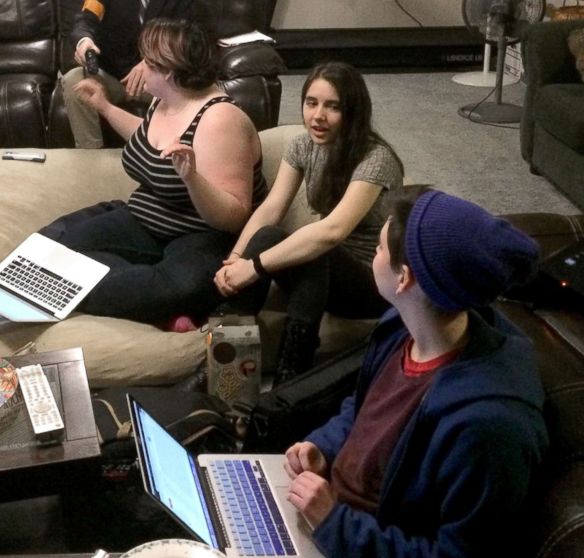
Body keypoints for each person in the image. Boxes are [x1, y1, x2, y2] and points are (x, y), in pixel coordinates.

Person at [282, 188, 548, 557]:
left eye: (377, 249)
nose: (373, 256)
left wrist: (333, 523)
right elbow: (364, 410)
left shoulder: (490, 426)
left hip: (352, 539)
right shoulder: (402, 328)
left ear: (404, 278)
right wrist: (325, 447)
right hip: (327, 513)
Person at [38, 18, 267, 327]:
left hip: (200, 236)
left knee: (176, 287)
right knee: (58, 253)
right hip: (146, 219)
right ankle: (157, 302)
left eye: (148, 61)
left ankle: (159, 300)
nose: (141, 66)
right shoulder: (165, 100)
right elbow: (149, 139)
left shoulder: (220, 119)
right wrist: (105, 107)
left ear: (169, 74)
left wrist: (192, 178)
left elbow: (235, 215)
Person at [214, 61, 404, 383]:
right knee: (271, 234)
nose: (318, 116)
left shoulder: (376, 159)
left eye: (333, 107)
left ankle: (292, 375)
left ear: (353, 112)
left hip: (374, 281)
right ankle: (227, 374)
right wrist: (236, 259)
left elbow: (333, 231)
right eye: (311, 103)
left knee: (317, 247)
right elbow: (271, 208)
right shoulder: (303, 145)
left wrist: (255, 266)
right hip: (324, 273)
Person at [61, 0, 209, 148]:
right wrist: (84, 41)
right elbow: (86, 19)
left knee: (186, 89)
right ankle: (91, 158)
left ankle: (164, 154)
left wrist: (150, 62)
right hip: (112, 75)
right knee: (75, 80)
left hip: (159, 79)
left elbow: (191, 38)